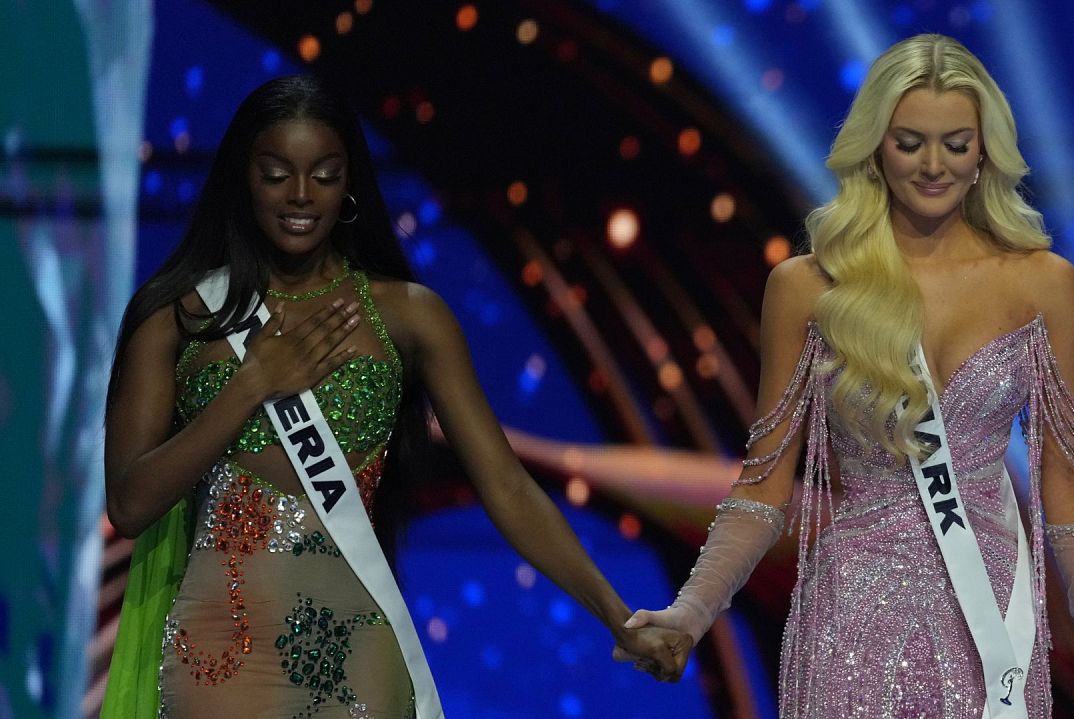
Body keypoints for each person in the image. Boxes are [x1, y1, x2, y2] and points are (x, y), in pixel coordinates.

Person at [100, 75, 690, 718]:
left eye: (324, 175)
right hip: (220, 659)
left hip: (361, 658)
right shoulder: (178, 315)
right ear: (243, 179)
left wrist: (617, 616)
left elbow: (509, 488)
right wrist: (250, 387)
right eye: (276, 174)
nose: (301, 196)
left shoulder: (410, 317)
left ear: (349, 182)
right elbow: (130, 503)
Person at [620, 34, 1074, 718]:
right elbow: (763, 485)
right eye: (909, 141)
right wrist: (690, 611)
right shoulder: (810, 287)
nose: (933, 164)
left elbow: (1069, 482)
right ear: (875, 147)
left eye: (956, 142)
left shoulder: (1043, 285)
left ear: (985, 150)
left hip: (993, 627)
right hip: (852, 626)